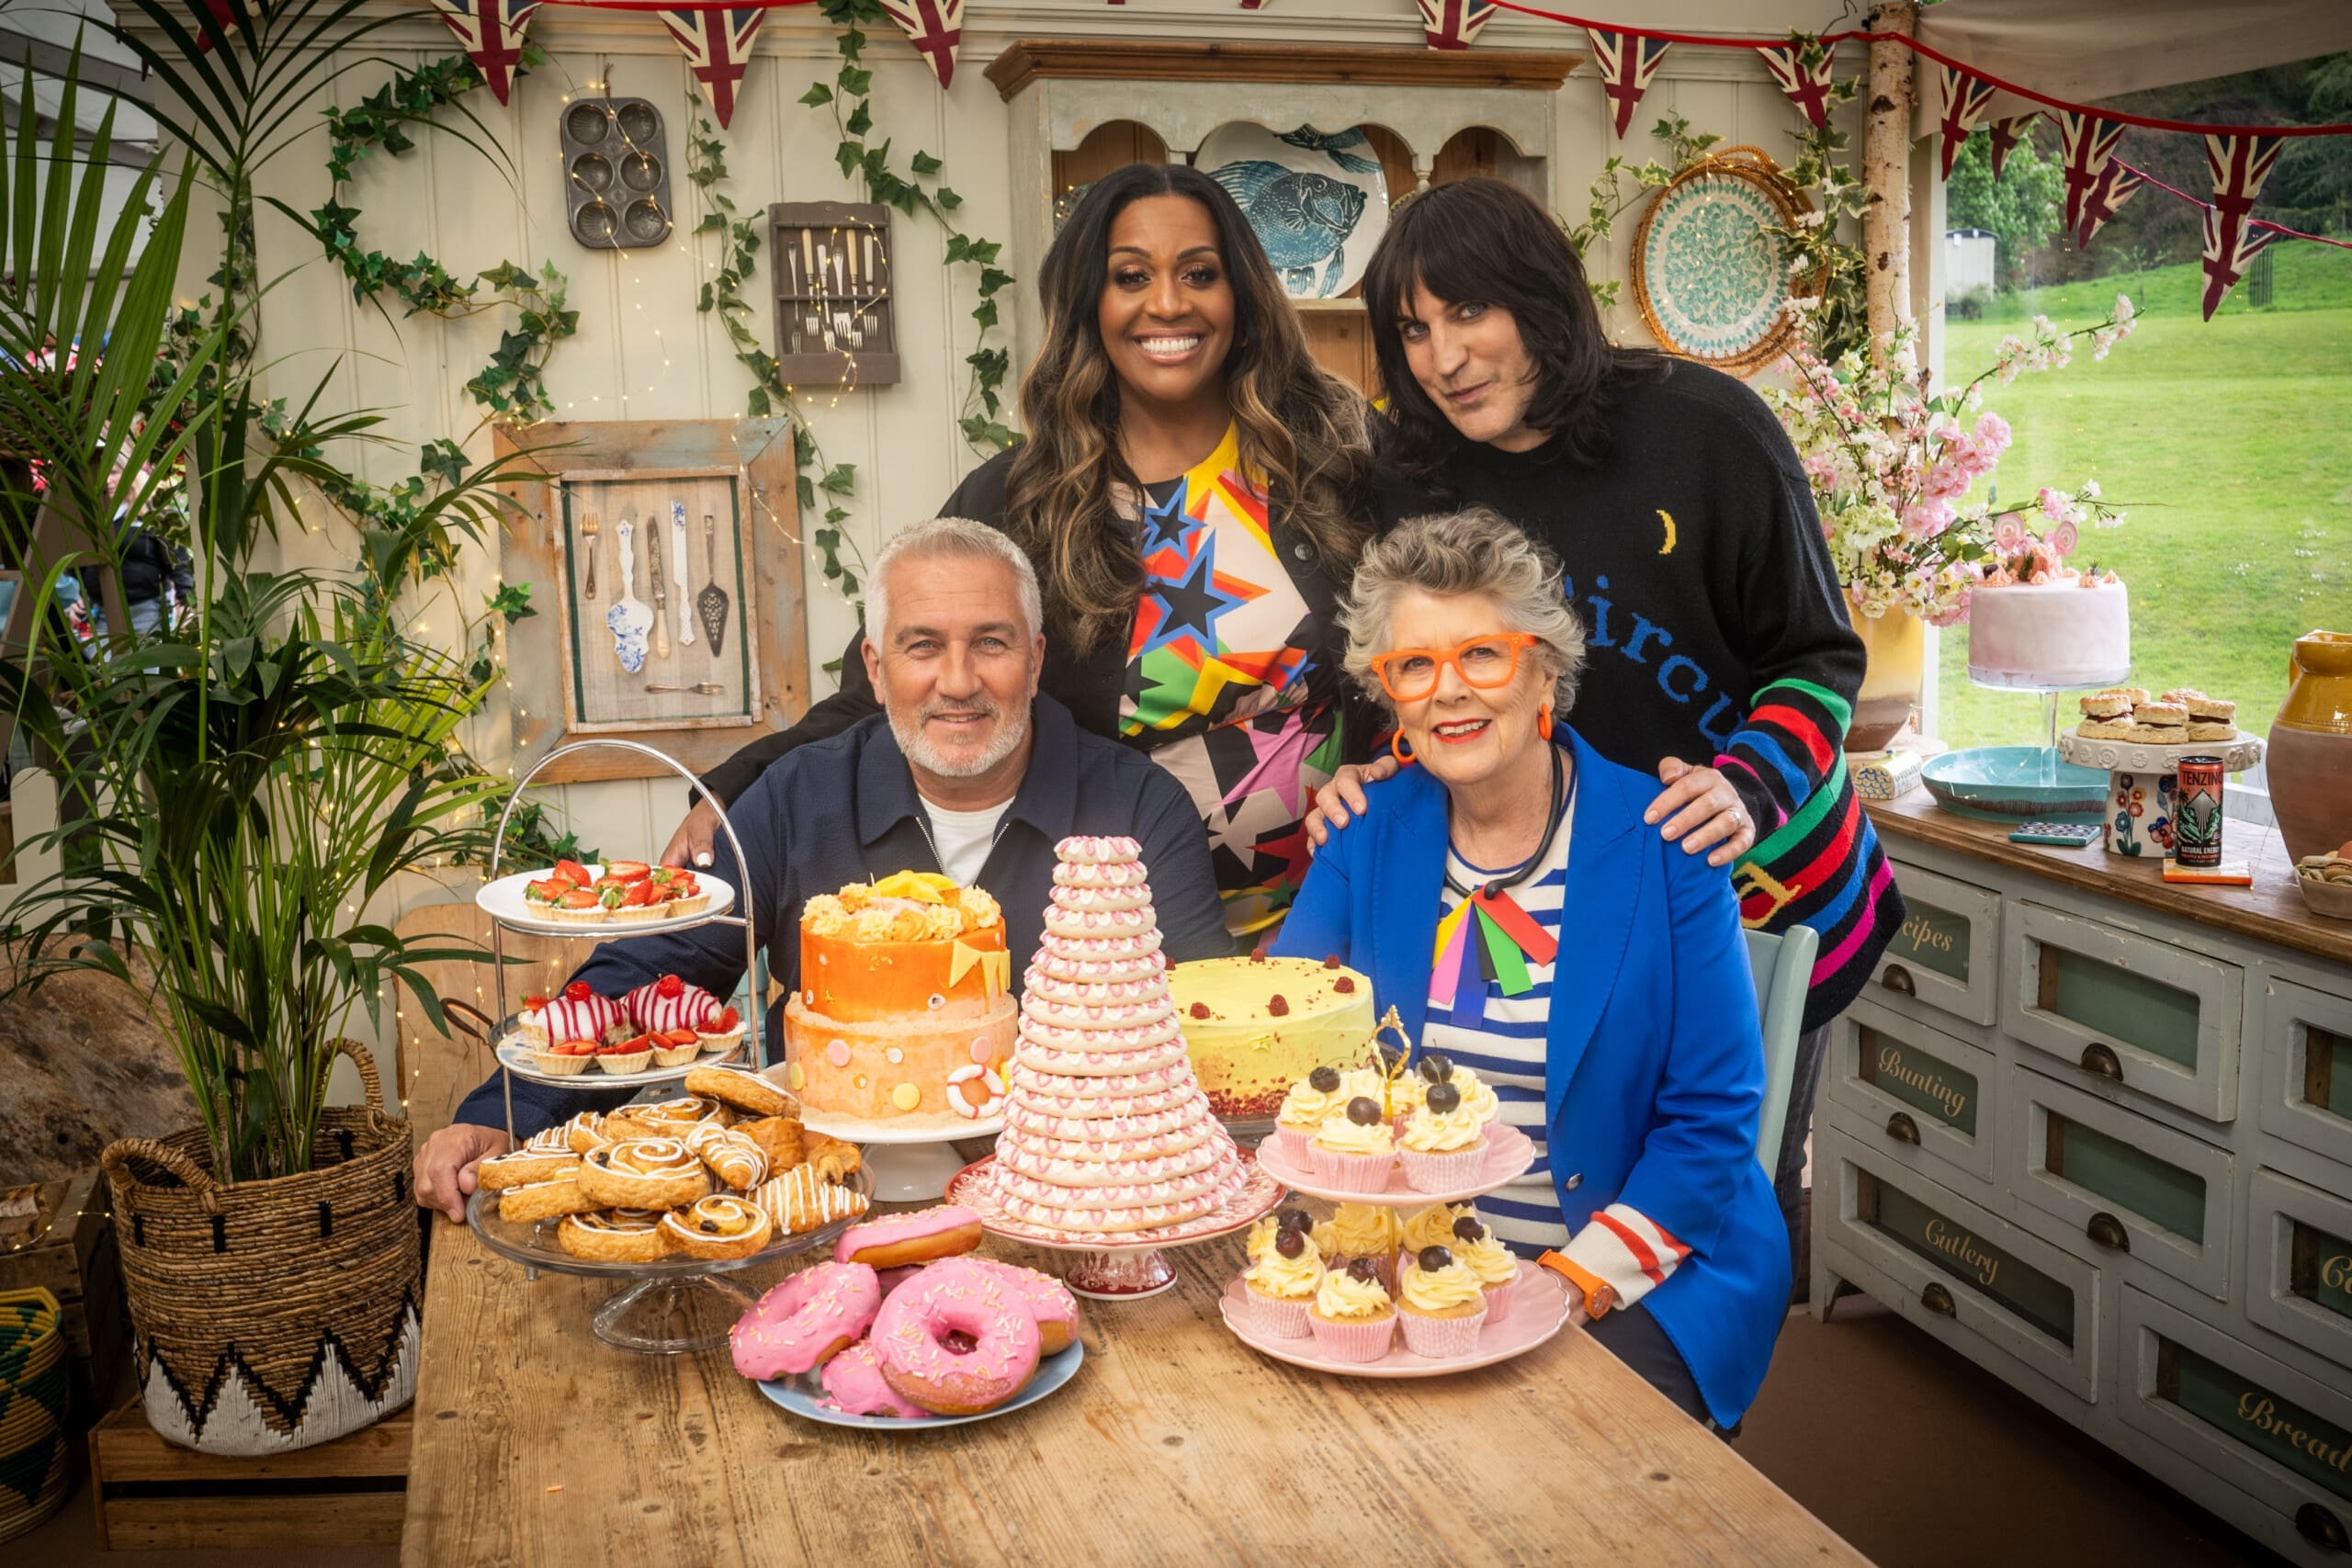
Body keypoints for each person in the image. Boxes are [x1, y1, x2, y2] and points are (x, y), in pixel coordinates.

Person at [1311, 176, 1905, 1265]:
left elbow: (1819, 658)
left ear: (1541, 303)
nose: (1444, 359)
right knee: (1530, 1176)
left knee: (1709, 1196)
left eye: (1470, 313)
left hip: (1751, 881)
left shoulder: (1708, 432)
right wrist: (1368, 768)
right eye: (1414, 330)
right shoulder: (1415, 472)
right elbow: (1408, 656)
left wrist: (1744, 786)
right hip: (1556, 899)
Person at [413, 519, 1228, 1219]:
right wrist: (507, 1114)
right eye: (922, 647)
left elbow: (1200, 1028)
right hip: (824, 1203)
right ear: (874, 669)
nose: (957, 681)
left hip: (1081, 1200)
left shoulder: (1139, 809)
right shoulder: (797, 797)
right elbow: (653, 974)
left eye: (991, 641)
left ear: (1037, 657)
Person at [661, 162, 1375, 942]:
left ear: (1240, 293)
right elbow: (884, 687)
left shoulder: (1334, 461)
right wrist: (735, 785)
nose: (1168, 303)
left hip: (1328, 921)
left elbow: (1427, 637)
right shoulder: (1019, 498)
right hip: (1114, 951)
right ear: (1087, 304)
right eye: (1131, 276)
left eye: (1199, 273)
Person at [1273, 510, 1787, 1432]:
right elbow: (1288, 1045)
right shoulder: (1362, 833)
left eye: (1482, 655)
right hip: (1414, 1273)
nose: (1447, 692)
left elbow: (1710, 1124)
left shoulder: (1668, 839)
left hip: (1635, 1274)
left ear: (1545, 669)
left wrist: (1567, 1284)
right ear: (1388, 697)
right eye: (1414, 666)